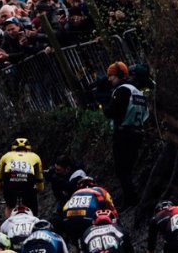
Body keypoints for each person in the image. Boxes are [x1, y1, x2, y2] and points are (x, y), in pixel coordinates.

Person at [102, 61, 148, 206]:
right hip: (137, 132)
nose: (109, 79)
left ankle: (131, 200)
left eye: (112, 76)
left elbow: (111, 112)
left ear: (120, 75)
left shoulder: (122, 90)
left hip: (124, 134)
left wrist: (104, 103)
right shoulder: (137, 91)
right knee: (128, 168)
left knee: (122, 170)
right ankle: (131, 197)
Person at [0, 138, 46, 217]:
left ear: (12, 148)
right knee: (31, 206)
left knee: (10, 205)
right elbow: (40, 187)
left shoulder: (6, 156)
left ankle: (9, 225)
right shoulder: (35, 156)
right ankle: (32, 222)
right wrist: (33, 191)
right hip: (28, 181)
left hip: (10, 181)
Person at [61, 177, 117, 246]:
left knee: (78, 243)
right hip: (89, 219)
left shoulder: (75, 194)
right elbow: (112, 208)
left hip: (69, 218)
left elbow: (64, 208)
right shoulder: (100, 190)